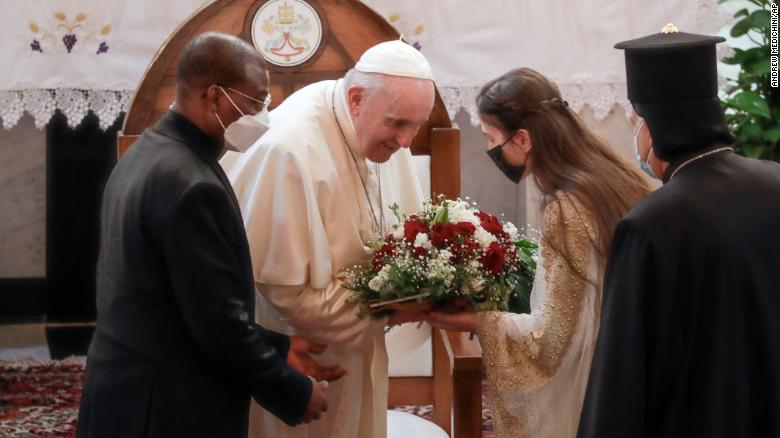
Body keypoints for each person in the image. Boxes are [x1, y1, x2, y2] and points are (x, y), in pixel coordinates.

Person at [77, 32, 341, 438]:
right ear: (215, 97)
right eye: (254, 102)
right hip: (166, 408)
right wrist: (291, 390)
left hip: (124, 391)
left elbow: (175, 303)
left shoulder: (147, 154)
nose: (262, 117)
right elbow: (217, 326)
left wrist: (278, 346)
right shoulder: (192, 184)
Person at [219, 39, 434, 438]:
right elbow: (284, 291)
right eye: (398, 124)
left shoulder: (370, 114)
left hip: (354, 339)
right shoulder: (289, 150)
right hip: (300, 353)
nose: (406, 142)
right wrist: (390, 312)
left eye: (416, 125)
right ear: (356, 99)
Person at [578, 27, 780, 437]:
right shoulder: (775, 182)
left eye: (636, 121)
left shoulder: (650, 225)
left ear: (654, 125)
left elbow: (625, 374)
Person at [427, 67, 650, 437]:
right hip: (632, 364)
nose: (489, 150)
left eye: (490, 137)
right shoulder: (609, 176)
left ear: (524, 139)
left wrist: (481, 320)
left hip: (595, 387)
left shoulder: (568, 208)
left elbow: (551, 342)